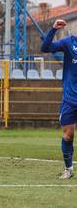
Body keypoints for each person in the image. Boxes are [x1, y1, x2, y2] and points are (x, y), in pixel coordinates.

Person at [41, 19, 76, 179]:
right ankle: (68, 169)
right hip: (71, 98)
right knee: (68, 135)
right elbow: (46, 48)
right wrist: (53, 29)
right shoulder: (70, 43)